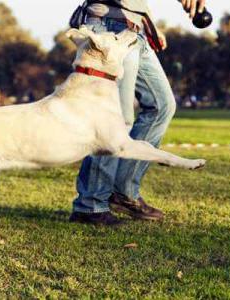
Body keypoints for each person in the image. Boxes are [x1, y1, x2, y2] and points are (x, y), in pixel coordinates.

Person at [69, 0, 208, 225]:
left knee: (161, 106)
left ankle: (123, 193)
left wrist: (148, 21)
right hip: (108, 30)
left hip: (134, 31)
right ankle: (90, 205)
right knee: (116, 121)